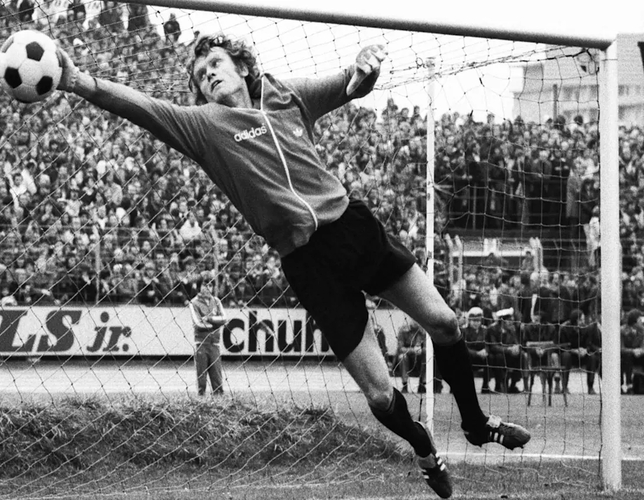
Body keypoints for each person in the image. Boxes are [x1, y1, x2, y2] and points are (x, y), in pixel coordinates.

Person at [55, 34, 530, 498]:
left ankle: (475, 423)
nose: (208, 75)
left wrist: (366, 66)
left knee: (444, 322)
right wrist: (80, 82)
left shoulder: (287, 95)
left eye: (215, 64)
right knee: (380, 396)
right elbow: (141, 106)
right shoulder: (204, 125)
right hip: (307, 263)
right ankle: (422, 446)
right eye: (200, 75)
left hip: (352, 230)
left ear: (242, 66)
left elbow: (350, 83)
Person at [188, 272, 227, 396]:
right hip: (201, 344)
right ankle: (201, 399)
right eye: (205, 285)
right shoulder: (193, 303)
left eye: (210, 285)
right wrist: (216, 323)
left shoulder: (216, 301)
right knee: (201, 378)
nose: (207, 288)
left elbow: (224, 319)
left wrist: (209, 319)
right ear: (199, 286)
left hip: (215, 343)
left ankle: (219, 398)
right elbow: (198, 324)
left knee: (217, 376)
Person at [559, 309, 602, 395]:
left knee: (592, 357)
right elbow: (562, 346)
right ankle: (564, 387)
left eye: (583, 319)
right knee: (566, 356)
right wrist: (574, 351)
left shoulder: (586, 328)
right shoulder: (564, 329)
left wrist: (585, 350)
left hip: (582, 354)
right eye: (581, 320)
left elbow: (589, 344)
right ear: (575, 320)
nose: (583, 321)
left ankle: (590, 387)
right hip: (571, 354)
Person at [463, 307, 492, 393]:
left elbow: (488, 344)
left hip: (482, 357)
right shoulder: (464, 330)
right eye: (474, 321)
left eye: (478, 321)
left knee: (491, 358)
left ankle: (485, 386)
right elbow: (464, 347)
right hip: (469, 356)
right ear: (469, 320)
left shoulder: (485, 330)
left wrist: (485, 351)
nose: (476, 323)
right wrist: (476, 353)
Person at [620, 308, 644, 394]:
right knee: (627, 357)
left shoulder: (642, 331)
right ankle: (629, 384)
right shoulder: (622, 330)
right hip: (625, 356)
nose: (642, 321)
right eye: (640, 319)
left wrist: (641, 350)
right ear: (635, 321)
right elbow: (620, 348)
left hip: (639, 355)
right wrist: (633, 351)